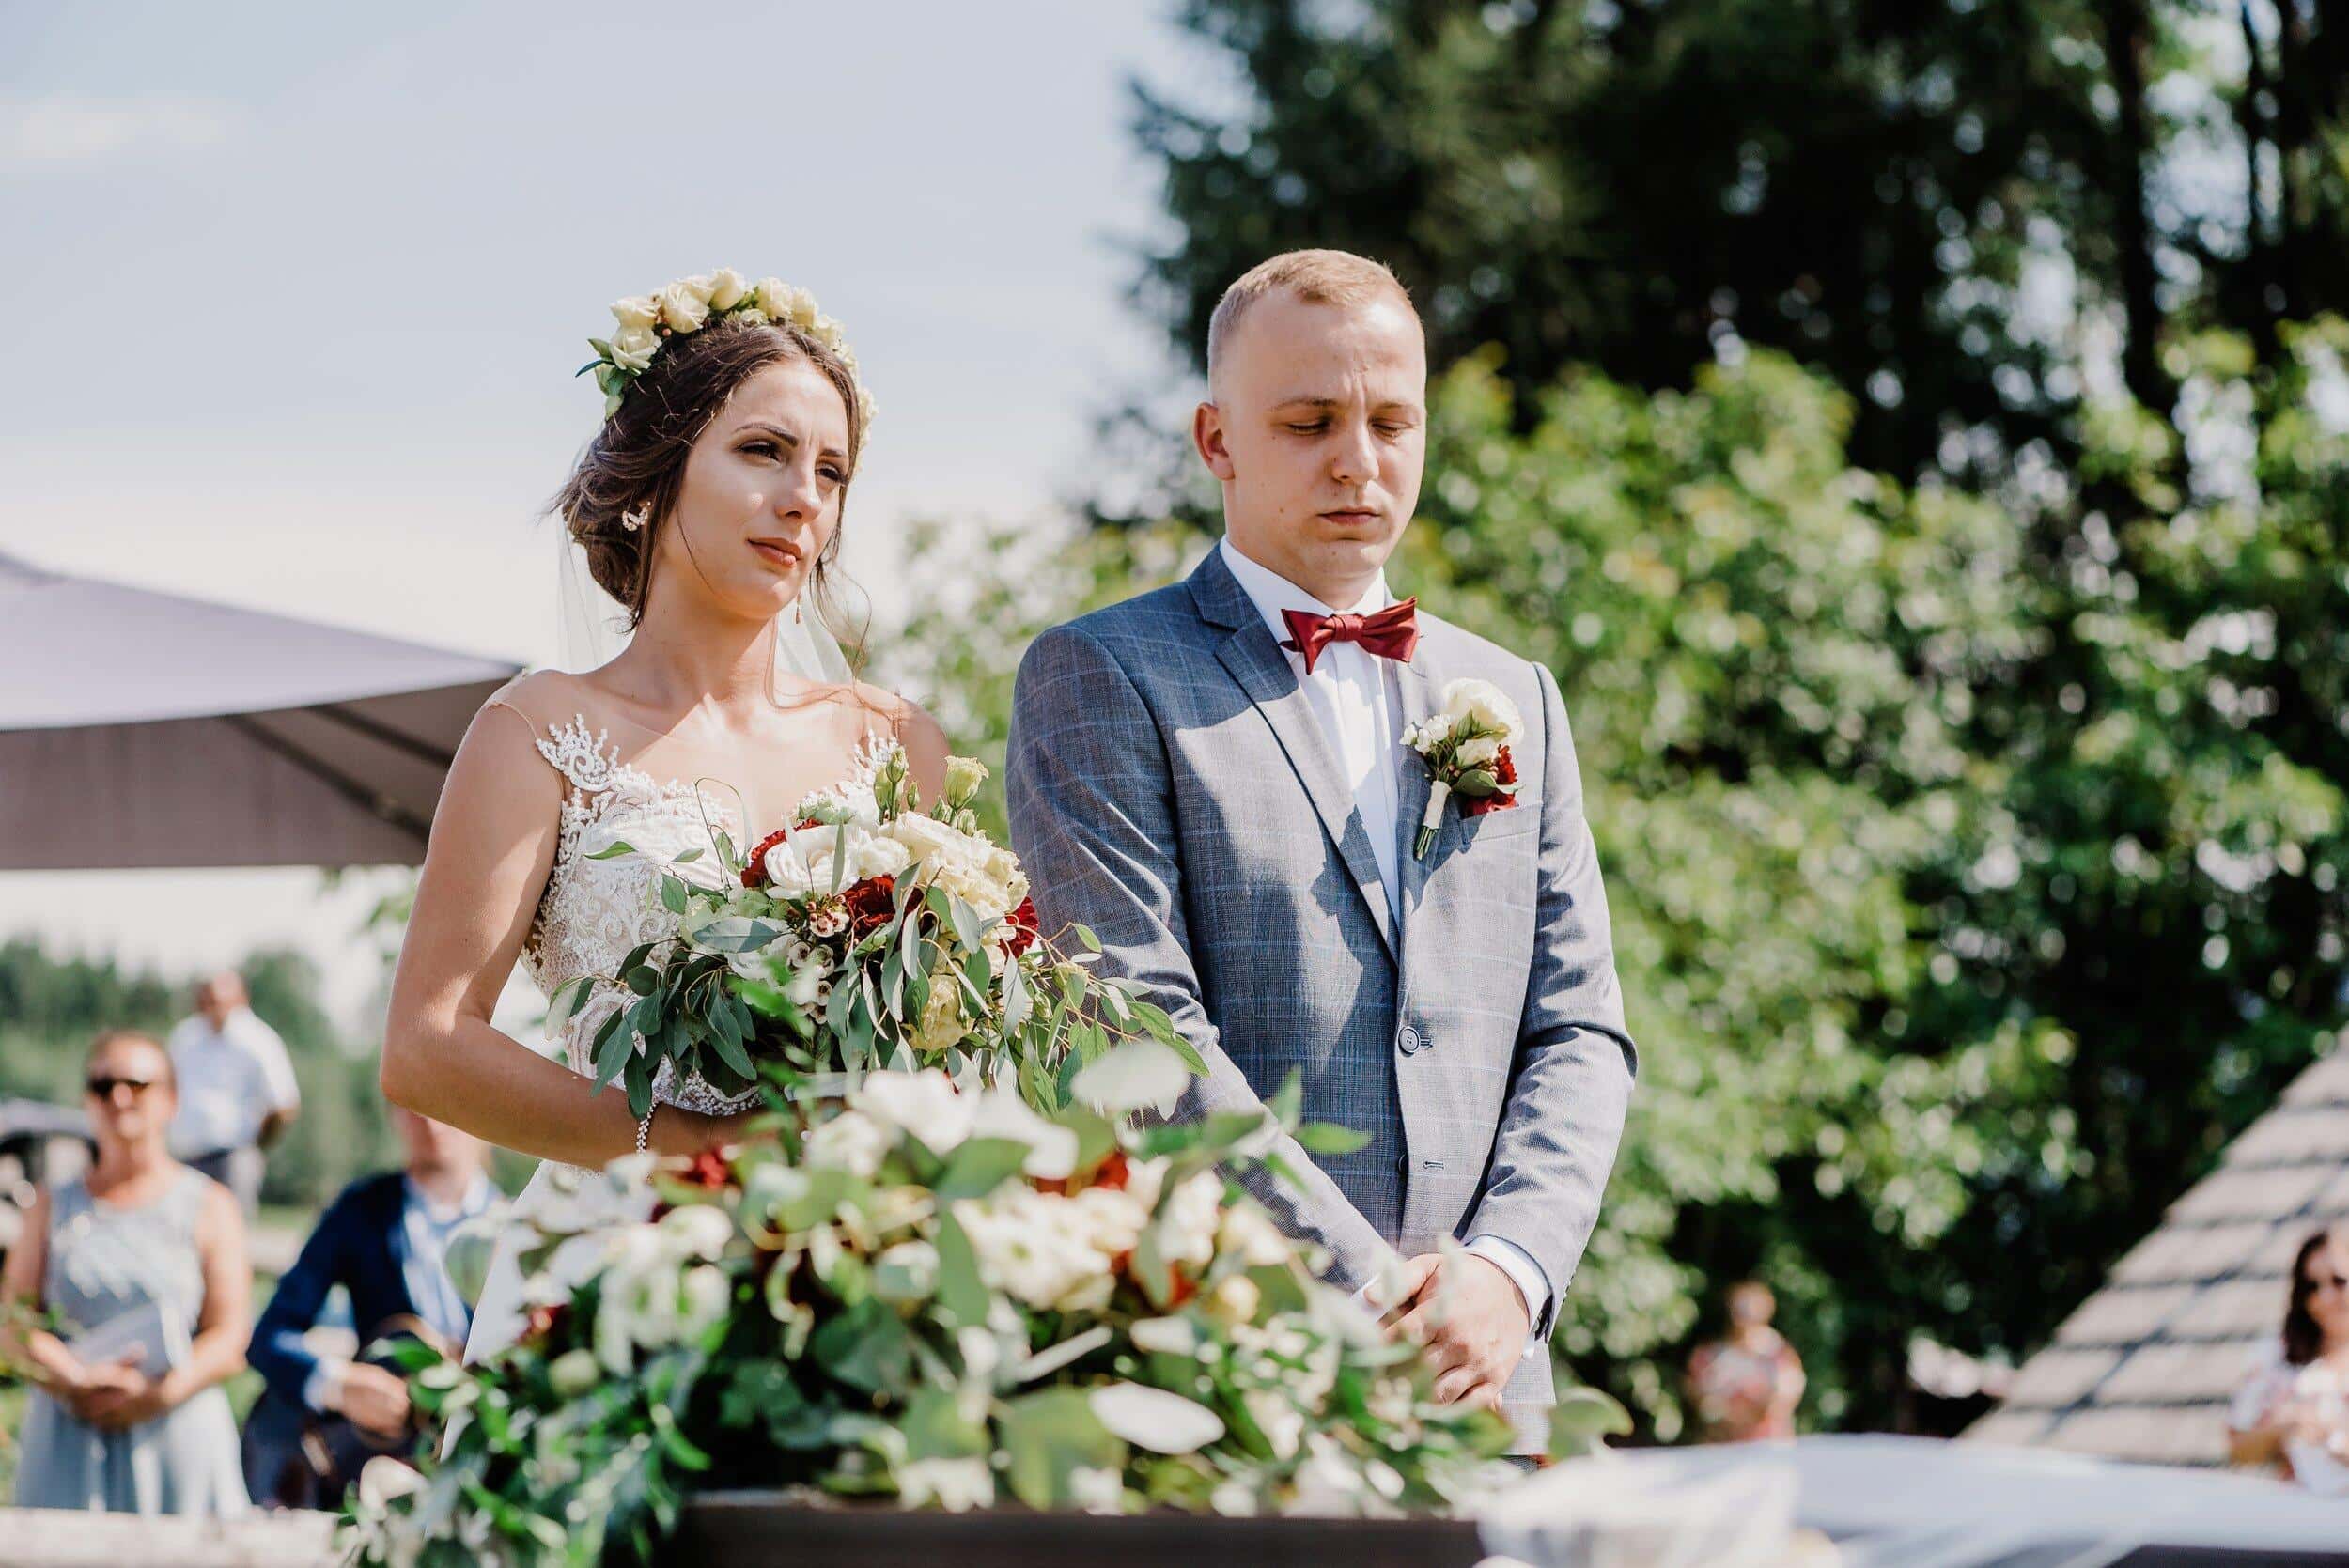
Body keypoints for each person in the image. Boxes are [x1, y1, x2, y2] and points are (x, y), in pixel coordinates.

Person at [1007, 248, 1637, 1452]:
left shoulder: (1517, 694)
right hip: (1227, 1378)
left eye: (1391, 421)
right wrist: (1368, 1292)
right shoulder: (1099, 675)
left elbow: (1578, 1029)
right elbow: (1136, 1031)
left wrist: (1507, 1274)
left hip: (1493, 1387)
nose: (1359, 459)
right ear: (1216, 439)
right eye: (1309, 423)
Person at [379, 271, 947, 1363]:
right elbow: (425, 1047)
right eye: (763, 451)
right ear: (657, 468)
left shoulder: (896, 743)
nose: (804, 499)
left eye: (831, 471)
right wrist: (683, 1145)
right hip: (612, 1265)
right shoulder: (537, 731)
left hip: (854, 1272)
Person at [0, 1029, 250, 1514]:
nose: (118, 1097)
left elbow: (230, 1335)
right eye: (103, 1085)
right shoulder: (50, 1205)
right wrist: (73, 1378)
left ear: (171, 1099)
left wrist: (157, 1394)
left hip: (177, 1432)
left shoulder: (211, 1205)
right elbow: (14, 1324)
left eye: (136, 1084)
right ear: (86, 1101)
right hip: (70, 1437)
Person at [241, 1107, 499, 1508]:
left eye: (447, 1106)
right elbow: (270, 1336)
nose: (433, 1123)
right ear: (395, 1112)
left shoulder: (520, 1222)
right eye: (417, 1106)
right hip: (381, 1474)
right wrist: (340, 1386)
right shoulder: (359, 1210)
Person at [165, 970, 301, 1216]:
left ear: (240, 999)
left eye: (218, 1000)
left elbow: (283, 1104)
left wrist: (256, 1146)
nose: (212, 1006)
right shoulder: (185, 1036)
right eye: (207, 999)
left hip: (233, 1157)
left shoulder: (259, 1040)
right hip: (185, 1156)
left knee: (231, 1227)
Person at [2227, 1225, 2349, 1491]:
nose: (2325, 1297)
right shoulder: (2276, 1355)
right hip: (2298, 1509)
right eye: (2312, 1286)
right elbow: (2236, 1449)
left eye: (2339, 1281)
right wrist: (2286, 1429)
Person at [1686, 1280, 1805, 1442]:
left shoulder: (1779, 1354)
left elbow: (1786, 1397)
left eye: (1749, 1306)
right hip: (1722, 1444)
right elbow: (1699, 1398)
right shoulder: (1709, 1355)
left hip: (1768, 1444)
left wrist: (1756, 1414)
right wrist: (1726, 1417)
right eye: (1739, 1306)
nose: (1743, 1313)